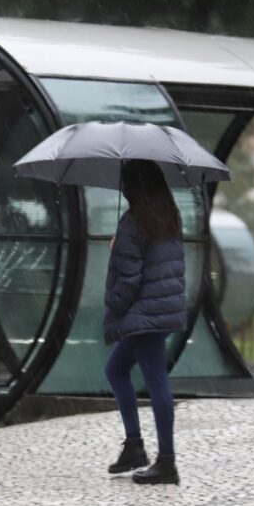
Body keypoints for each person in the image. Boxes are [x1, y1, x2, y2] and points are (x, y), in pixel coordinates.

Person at [103, 160, 186, 486]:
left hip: (143, 314)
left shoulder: (134, 222)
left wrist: (115, 308)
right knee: (116, 369)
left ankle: (166, 462)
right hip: (163, 310)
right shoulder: (168, 217)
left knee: (157, 383)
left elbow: (128, 280)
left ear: (131, 188)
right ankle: (135, 446)